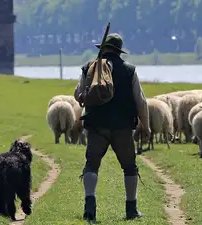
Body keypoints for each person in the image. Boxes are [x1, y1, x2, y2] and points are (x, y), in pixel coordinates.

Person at [73, 33, 150, 223]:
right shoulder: (129, 70)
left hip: (96, 125)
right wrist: (145, 126)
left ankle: (89, 206)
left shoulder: (89, 67)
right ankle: (131, 208)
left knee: (92, 164)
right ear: (118, 51)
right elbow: (140, 100)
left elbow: (78, 93)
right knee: (129, 167)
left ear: (103, 48)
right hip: (122, 127)